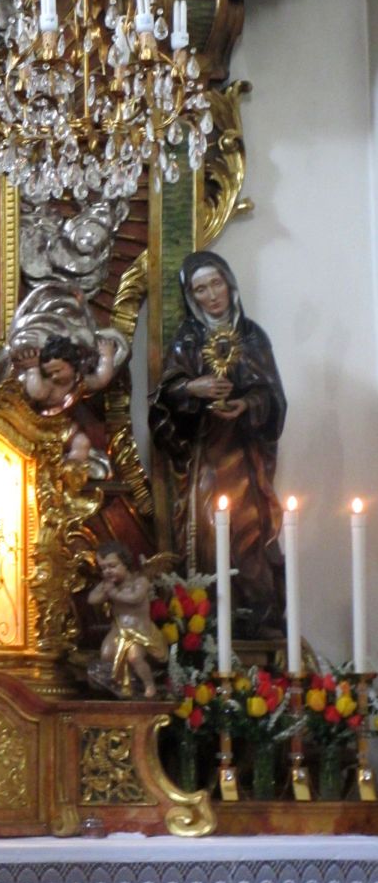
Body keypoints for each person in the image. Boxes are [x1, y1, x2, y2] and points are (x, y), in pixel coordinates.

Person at [149, 250, 286, 636]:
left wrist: (246, 403)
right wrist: (195, 387)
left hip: (245, 458)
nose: (212, 295)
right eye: (201, 289)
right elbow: (165, 398)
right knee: (210, 530)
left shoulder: (253, 336)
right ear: (192, 297)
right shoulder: (188, 340)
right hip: (205, 457)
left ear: (229, 283)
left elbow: (274, 397)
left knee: (251, 534)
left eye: (216, 284)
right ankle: (209, 619)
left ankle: (256, 615)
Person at [87, 541, 169, 699]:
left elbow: (134, 599)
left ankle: (149, 685)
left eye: (112, 566)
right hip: (119, 629)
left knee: (134, 657)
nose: (108, 571)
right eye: (103, 568)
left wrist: (113, 594)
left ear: (125, 563)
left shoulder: (140, 582)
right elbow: (92, 599)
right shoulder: (109, 585)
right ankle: (126, 683)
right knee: (106, 654)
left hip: (139, 630)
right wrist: (105, 590)